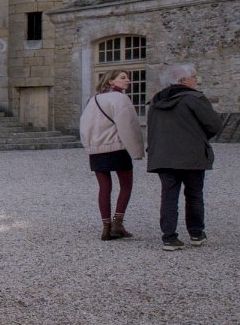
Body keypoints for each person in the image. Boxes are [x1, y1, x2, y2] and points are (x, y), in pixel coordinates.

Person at [146, 63, 221, 251]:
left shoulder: (156, 102)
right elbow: (214, 125)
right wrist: (199, 138)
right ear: (183, 81)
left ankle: (169, 237)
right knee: (194, 194)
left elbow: (152, 130)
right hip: (191, 155)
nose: (195, 80)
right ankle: (196, 233)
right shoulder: (195, 99)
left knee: (169, 196)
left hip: (163, 156)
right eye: (193, 77)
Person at [78, 70, 145, 240]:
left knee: (104, 188)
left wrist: (89, 145)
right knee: (126, 185)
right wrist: (137, 150)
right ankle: (118, 223)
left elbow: (84, 125)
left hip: (97, 150)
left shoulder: (92, 100)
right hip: (117, 148)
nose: (127, 80)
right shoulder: (120, 99)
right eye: (122, 78)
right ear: (111, 81)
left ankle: (106, 228)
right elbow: (129, 126)